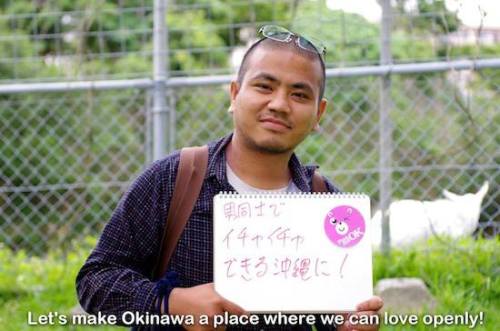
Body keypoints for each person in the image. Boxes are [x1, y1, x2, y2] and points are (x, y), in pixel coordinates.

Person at [76, 25, 383, 331]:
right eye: (264, 86)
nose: (278, 104)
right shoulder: (173, 179)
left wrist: (353, 324)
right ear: (235, 94)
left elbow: (334, 317)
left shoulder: (328, 207)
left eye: (299, 94)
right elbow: (96, 280)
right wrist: (170, 303)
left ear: (319, 114)